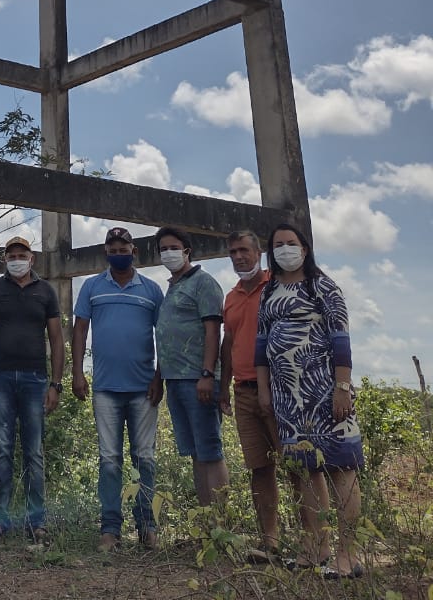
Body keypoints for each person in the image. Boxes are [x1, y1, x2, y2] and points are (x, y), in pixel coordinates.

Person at [256, 222, 364, 578]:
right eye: (278, 245)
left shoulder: (323, 286)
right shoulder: (269, 291)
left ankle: (350, 555)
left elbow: (340, 338)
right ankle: (316, 549)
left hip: (325, 391)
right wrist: (263, 388)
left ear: (304, 248)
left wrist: (342, 387)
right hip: (288, 397)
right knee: (305, 470)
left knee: (341, 467)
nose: (284, 249)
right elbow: (261, 344)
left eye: (291, 243)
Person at [72, 226, 164, 552]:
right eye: (112, 246)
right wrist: (77, 373)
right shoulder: (92, 287)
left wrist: (159, 377)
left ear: (134, 251)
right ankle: (110, 530)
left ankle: (147, 527)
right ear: (105, 252)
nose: (118, 251)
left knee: (145, 459)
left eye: (123, 246)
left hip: (144, 390)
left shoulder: (151, 290)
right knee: (110, 460)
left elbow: (163, 337)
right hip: (105, 389)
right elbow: (80, 330)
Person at [0, 235, 64, 545]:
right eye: (11, 254)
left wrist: (56, 384)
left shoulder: (46, 291)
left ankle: (36, 523)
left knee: (34, 453)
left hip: (35, 380)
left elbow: (56, 340)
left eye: (21, 254)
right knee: (2, 448)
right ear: (4, 259)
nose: (16, 259)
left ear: (32, 258)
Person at [219, 228, 297, 562]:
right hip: (244, 391)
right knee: (259, 468)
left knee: (296, 466)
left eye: (243, 251)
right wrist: (223, 384)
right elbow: (228, 342)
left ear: (258, 252)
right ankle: (270, 543)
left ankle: (314, 544)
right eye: (233, 252)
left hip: (281, 391)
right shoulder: (232, 296)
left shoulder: (277, 287)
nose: (238, 257)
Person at [154, 225, 229, 506]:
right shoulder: (172, 288)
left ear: (187, 251)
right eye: (163, 249)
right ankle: (207, 526)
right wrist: (159, 376)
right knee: (197, 454)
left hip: (198, 380)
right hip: (175, 381)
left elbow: (213, 331)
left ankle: (222, 525)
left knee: (210, 451)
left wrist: (207, 374)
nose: (169, 253)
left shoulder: (203, 282)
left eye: (174, 248)